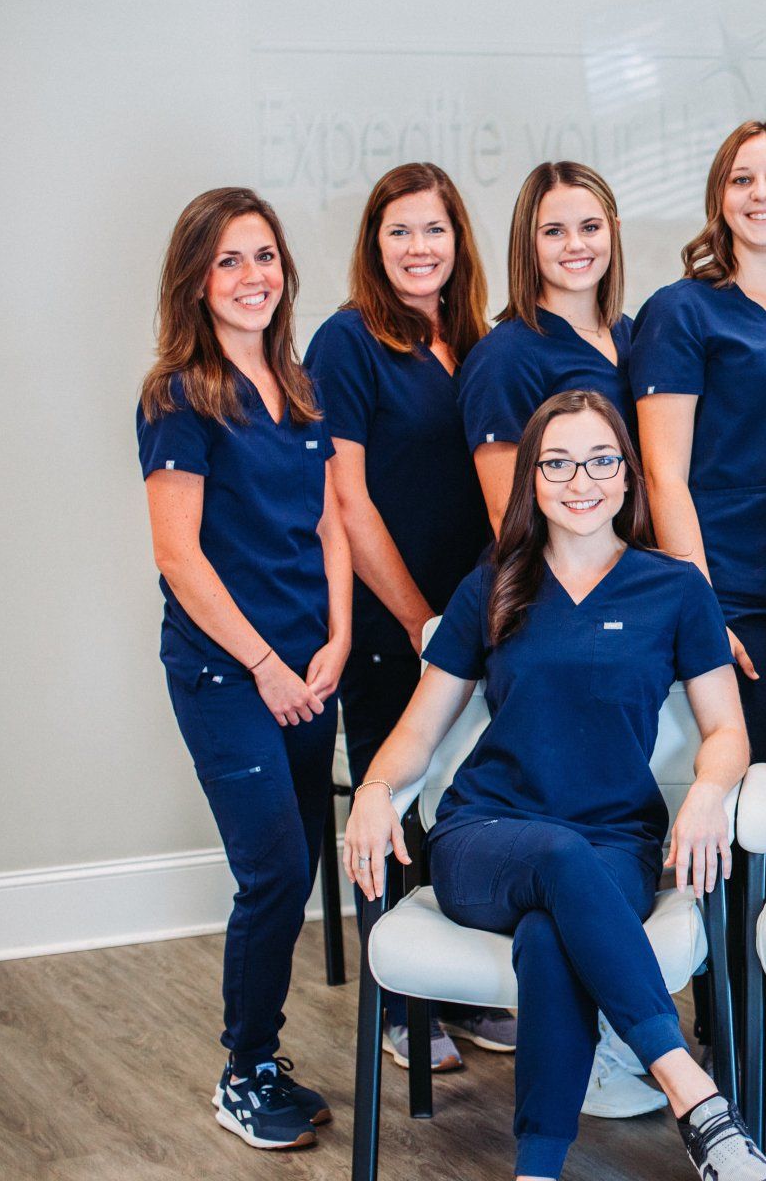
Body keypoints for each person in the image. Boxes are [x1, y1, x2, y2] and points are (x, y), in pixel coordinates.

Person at [341, 390, 766, 1181]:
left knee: (551, 934)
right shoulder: (493, 586)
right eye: (558, 463)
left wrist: (710, 792)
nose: (582, 480)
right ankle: (696, 1096)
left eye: (601, 460)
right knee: (555, 859)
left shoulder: (676, 589)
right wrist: (375, 789)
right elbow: (419, 729)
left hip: (615, 841)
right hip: (485, 838)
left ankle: (536, 1169)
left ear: (627, 476)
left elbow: (727, 731)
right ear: (533, 480)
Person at [631, 118, 766, 1080]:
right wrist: (703, 609)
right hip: (735, 597)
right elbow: (663, 474)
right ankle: (733, 1011)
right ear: (720, 198)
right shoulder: (681, 312)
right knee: (740, 798)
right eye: (742, 179)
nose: (761, 193)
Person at [137, 187, 350, 1150]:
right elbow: (179, 556)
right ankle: (241, 1070)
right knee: (271, 870)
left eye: (263, 256)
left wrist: (338, 639)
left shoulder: (299, 386)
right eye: (227, 260)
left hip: (311, 669)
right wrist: (267, 664)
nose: (251, 276)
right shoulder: (178, 395)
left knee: (296, 863)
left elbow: (328, 521)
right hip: (231, 677)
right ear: (194, 279)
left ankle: (263, 1057)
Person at [304, 161, 505, 1074]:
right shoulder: (347, 344)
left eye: (435, 230)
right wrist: (424, 620)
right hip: (399, 619)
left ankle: (461, 987)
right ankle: (401, 1004)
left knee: (466, 800)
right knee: (393, 803)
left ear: (459, 240)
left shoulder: (479, 343)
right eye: (400, 232)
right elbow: (347, 501)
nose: (419, 248)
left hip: (477, 612)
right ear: (373, 245)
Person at [461, 161, 634, 533]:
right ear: (528, 241)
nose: (575, 244)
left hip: (636, 569)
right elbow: (506, 515)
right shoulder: (503, 357)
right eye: (554, 231)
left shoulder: (636, 336)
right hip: (556, 583)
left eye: (590, 227)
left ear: (614, 231)